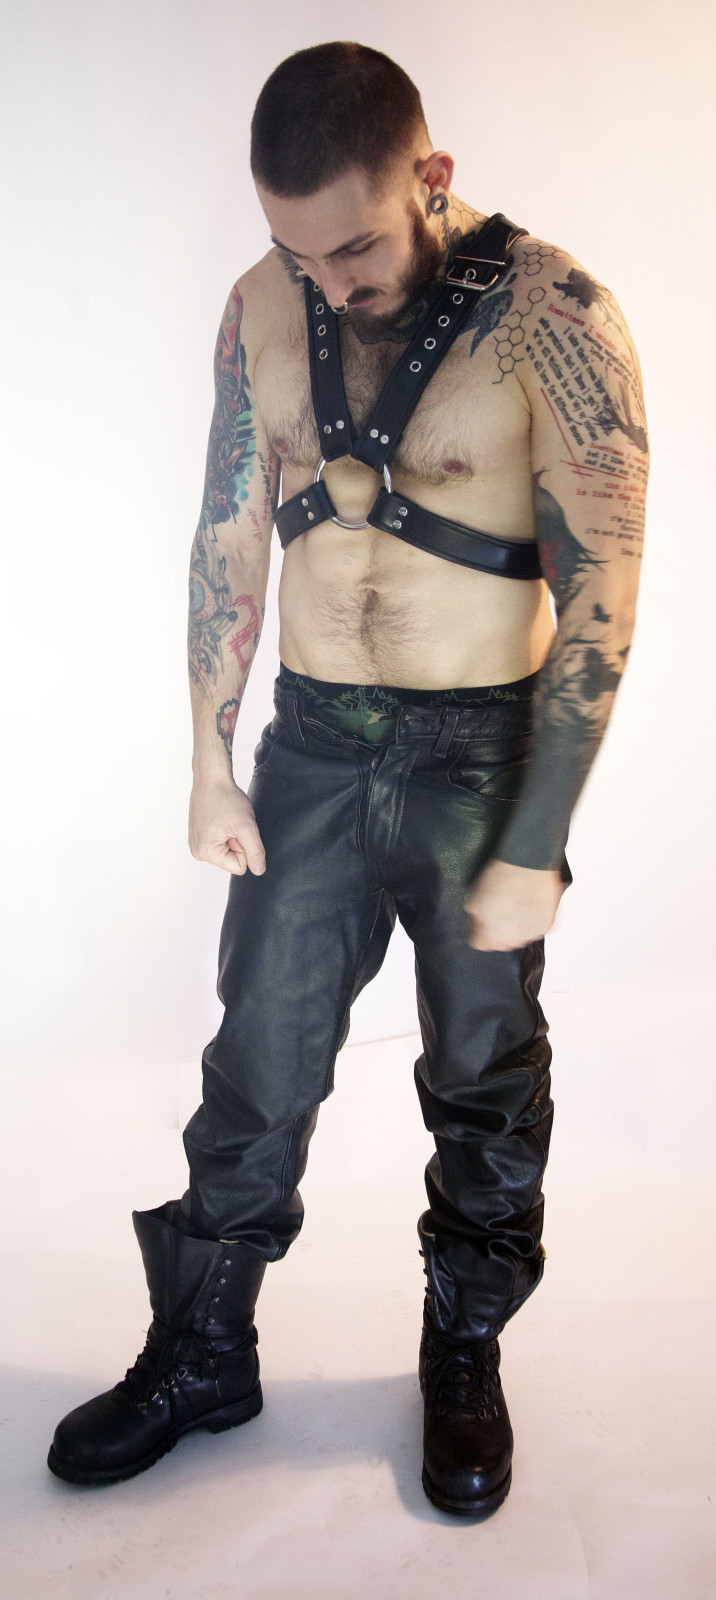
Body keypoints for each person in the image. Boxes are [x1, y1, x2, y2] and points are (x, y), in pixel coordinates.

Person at [48, 41, 647, 1516]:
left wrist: (539, 835)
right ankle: (202, 1350)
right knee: (256, 1062)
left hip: (479, 757)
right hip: (312, 746)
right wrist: (209, 760)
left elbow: (602, 595)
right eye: (296, 249)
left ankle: (464, 1347)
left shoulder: (555, 317)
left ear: (432, 177)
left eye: (356, 248)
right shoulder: (261, 306)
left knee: (485, 1078)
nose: (327, 281)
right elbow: (228, 531)